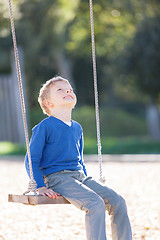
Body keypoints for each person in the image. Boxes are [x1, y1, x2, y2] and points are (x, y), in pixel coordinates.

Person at [25, 76, 132, 240]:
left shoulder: (77, 127)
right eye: (60, 89)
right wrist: (40, 186)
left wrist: (88, 182)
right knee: (95, 203)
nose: (68, 90)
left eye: (70, 89)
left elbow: (79, 159)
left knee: (118, 202)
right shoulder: (45, 126)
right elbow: (31, 159)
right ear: (48, 103)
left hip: (79, 176)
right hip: (57, 178)